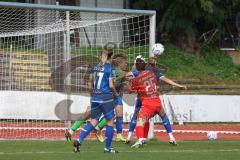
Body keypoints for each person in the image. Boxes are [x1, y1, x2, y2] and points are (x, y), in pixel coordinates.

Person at [126, 55, 186, 145]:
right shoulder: (153, 73)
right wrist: (178, 85)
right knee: (161, 116)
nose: (154, 61)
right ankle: (171, 137)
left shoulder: (139, 73)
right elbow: (165, 80)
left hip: (145, 100)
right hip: (154, 99)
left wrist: (129, 81)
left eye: (155, 60)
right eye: (153, 60)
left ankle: (139, 138)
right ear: (148, 62)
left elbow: (129, 82)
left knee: (140, 119)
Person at [73, 44, 118, 154]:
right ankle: (107, 148)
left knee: (93, 121)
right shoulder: (110, 68)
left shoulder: (95, 67)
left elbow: (88, 80)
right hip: (106, 97)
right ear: (111, 56)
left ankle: (79, 140)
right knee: (110, 122)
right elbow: (111, 85)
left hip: (95, 97)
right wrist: (116, 94)